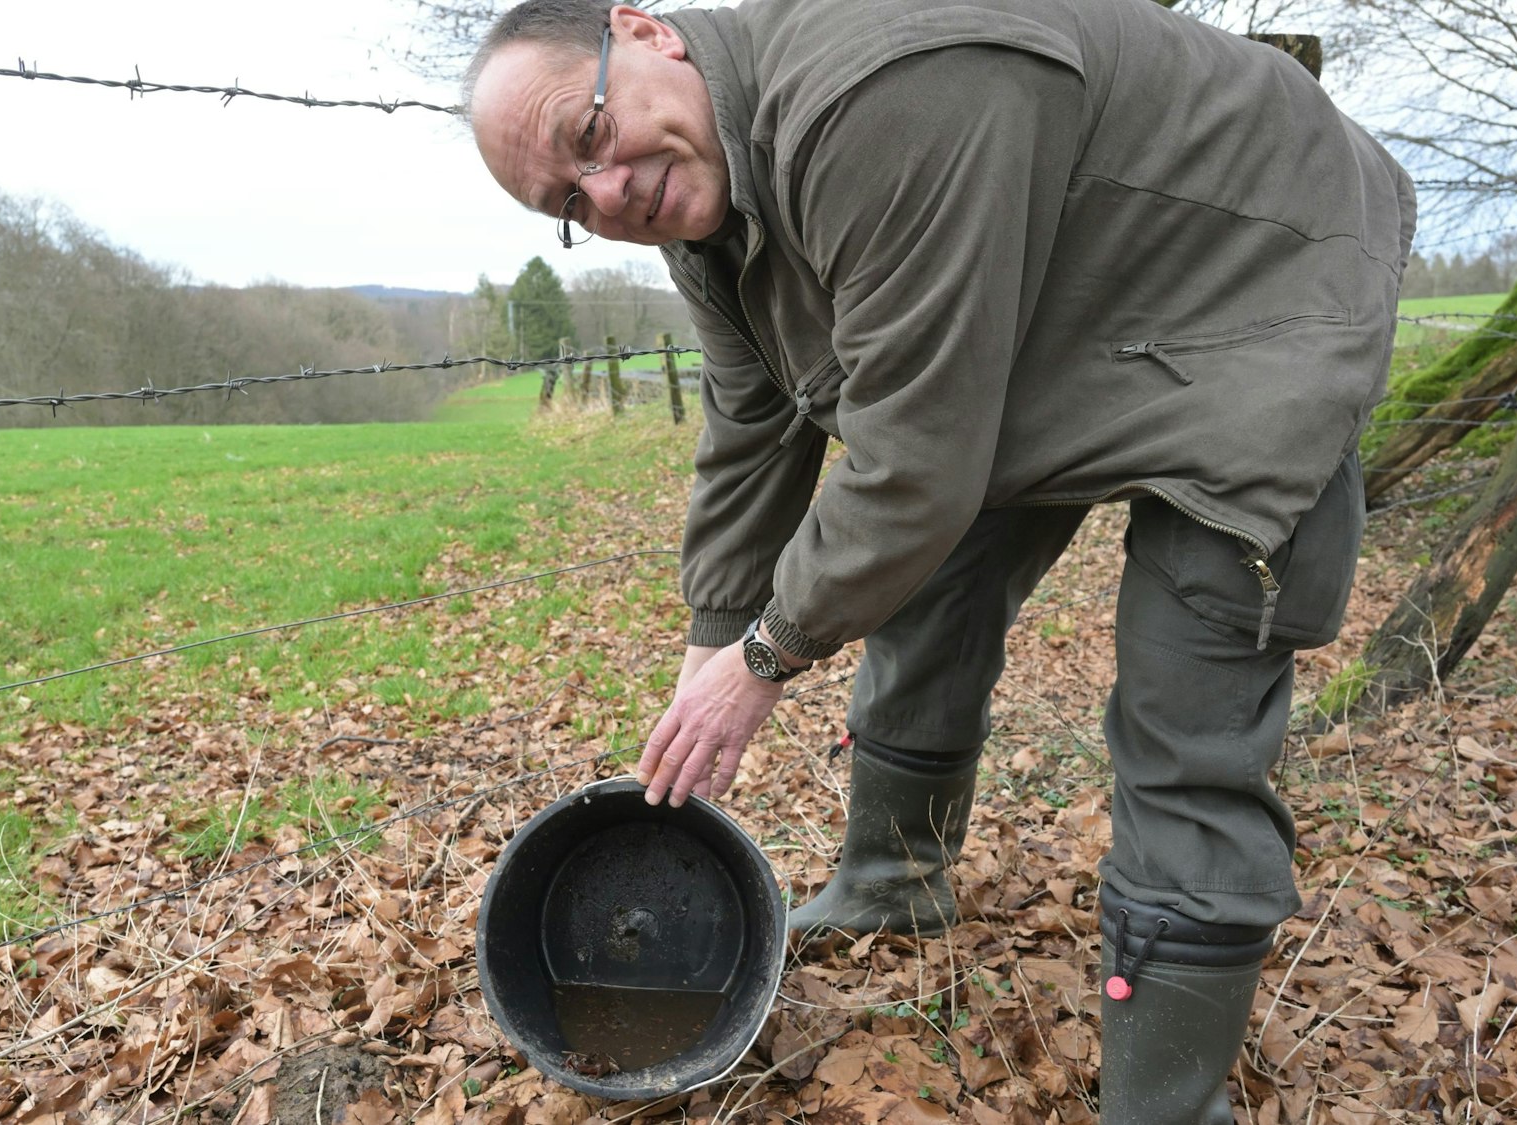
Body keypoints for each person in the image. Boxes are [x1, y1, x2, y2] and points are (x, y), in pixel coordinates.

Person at [465, 0, 1413, 1120]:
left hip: (1259, 280)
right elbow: (750, 427)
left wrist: (764, 658)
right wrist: (710, 642)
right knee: (919, 586)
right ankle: (890, 884)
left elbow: (913, 466)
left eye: (589, 137)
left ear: (645, 31)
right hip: (1055, 312)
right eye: (569, 203)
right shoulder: (699, 202)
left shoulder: (886, 87)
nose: (608, 192)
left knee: (1182, 704)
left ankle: (1165, 1102)